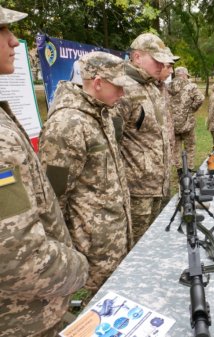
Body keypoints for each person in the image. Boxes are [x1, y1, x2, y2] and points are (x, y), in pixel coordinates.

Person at [0, 6, 89, 336]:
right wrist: (78, 266)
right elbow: (17, 255)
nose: (13, 42)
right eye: (3, 31)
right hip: (23, 318)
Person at [39, 51, 134, 294]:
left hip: (111, 235)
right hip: (93, 245)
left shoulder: (100, 112)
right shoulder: (68, 124)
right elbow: (52, 196)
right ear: (99, 83)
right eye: (118, 87)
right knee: (101, 304)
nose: (123, 94)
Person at [116, 33, 174, 243]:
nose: (161, 65)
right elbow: (113, 141)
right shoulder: (123, 89)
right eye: (156, 60)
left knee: (157, 241)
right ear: (137, 57)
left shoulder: (151, 86)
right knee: (137, 248)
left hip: (159, 183)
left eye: (163, 61)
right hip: (137, 190)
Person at [167, 66, 205, 173]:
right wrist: (192, 108)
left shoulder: (167, 87)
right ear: (184, 75)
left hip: (172, 124)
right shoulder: (190, 86)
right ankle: (189, 167)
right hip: (187, 122)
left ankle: (179, 169)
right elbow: (200, 98)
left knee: (175, 147)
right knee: (190, 145)